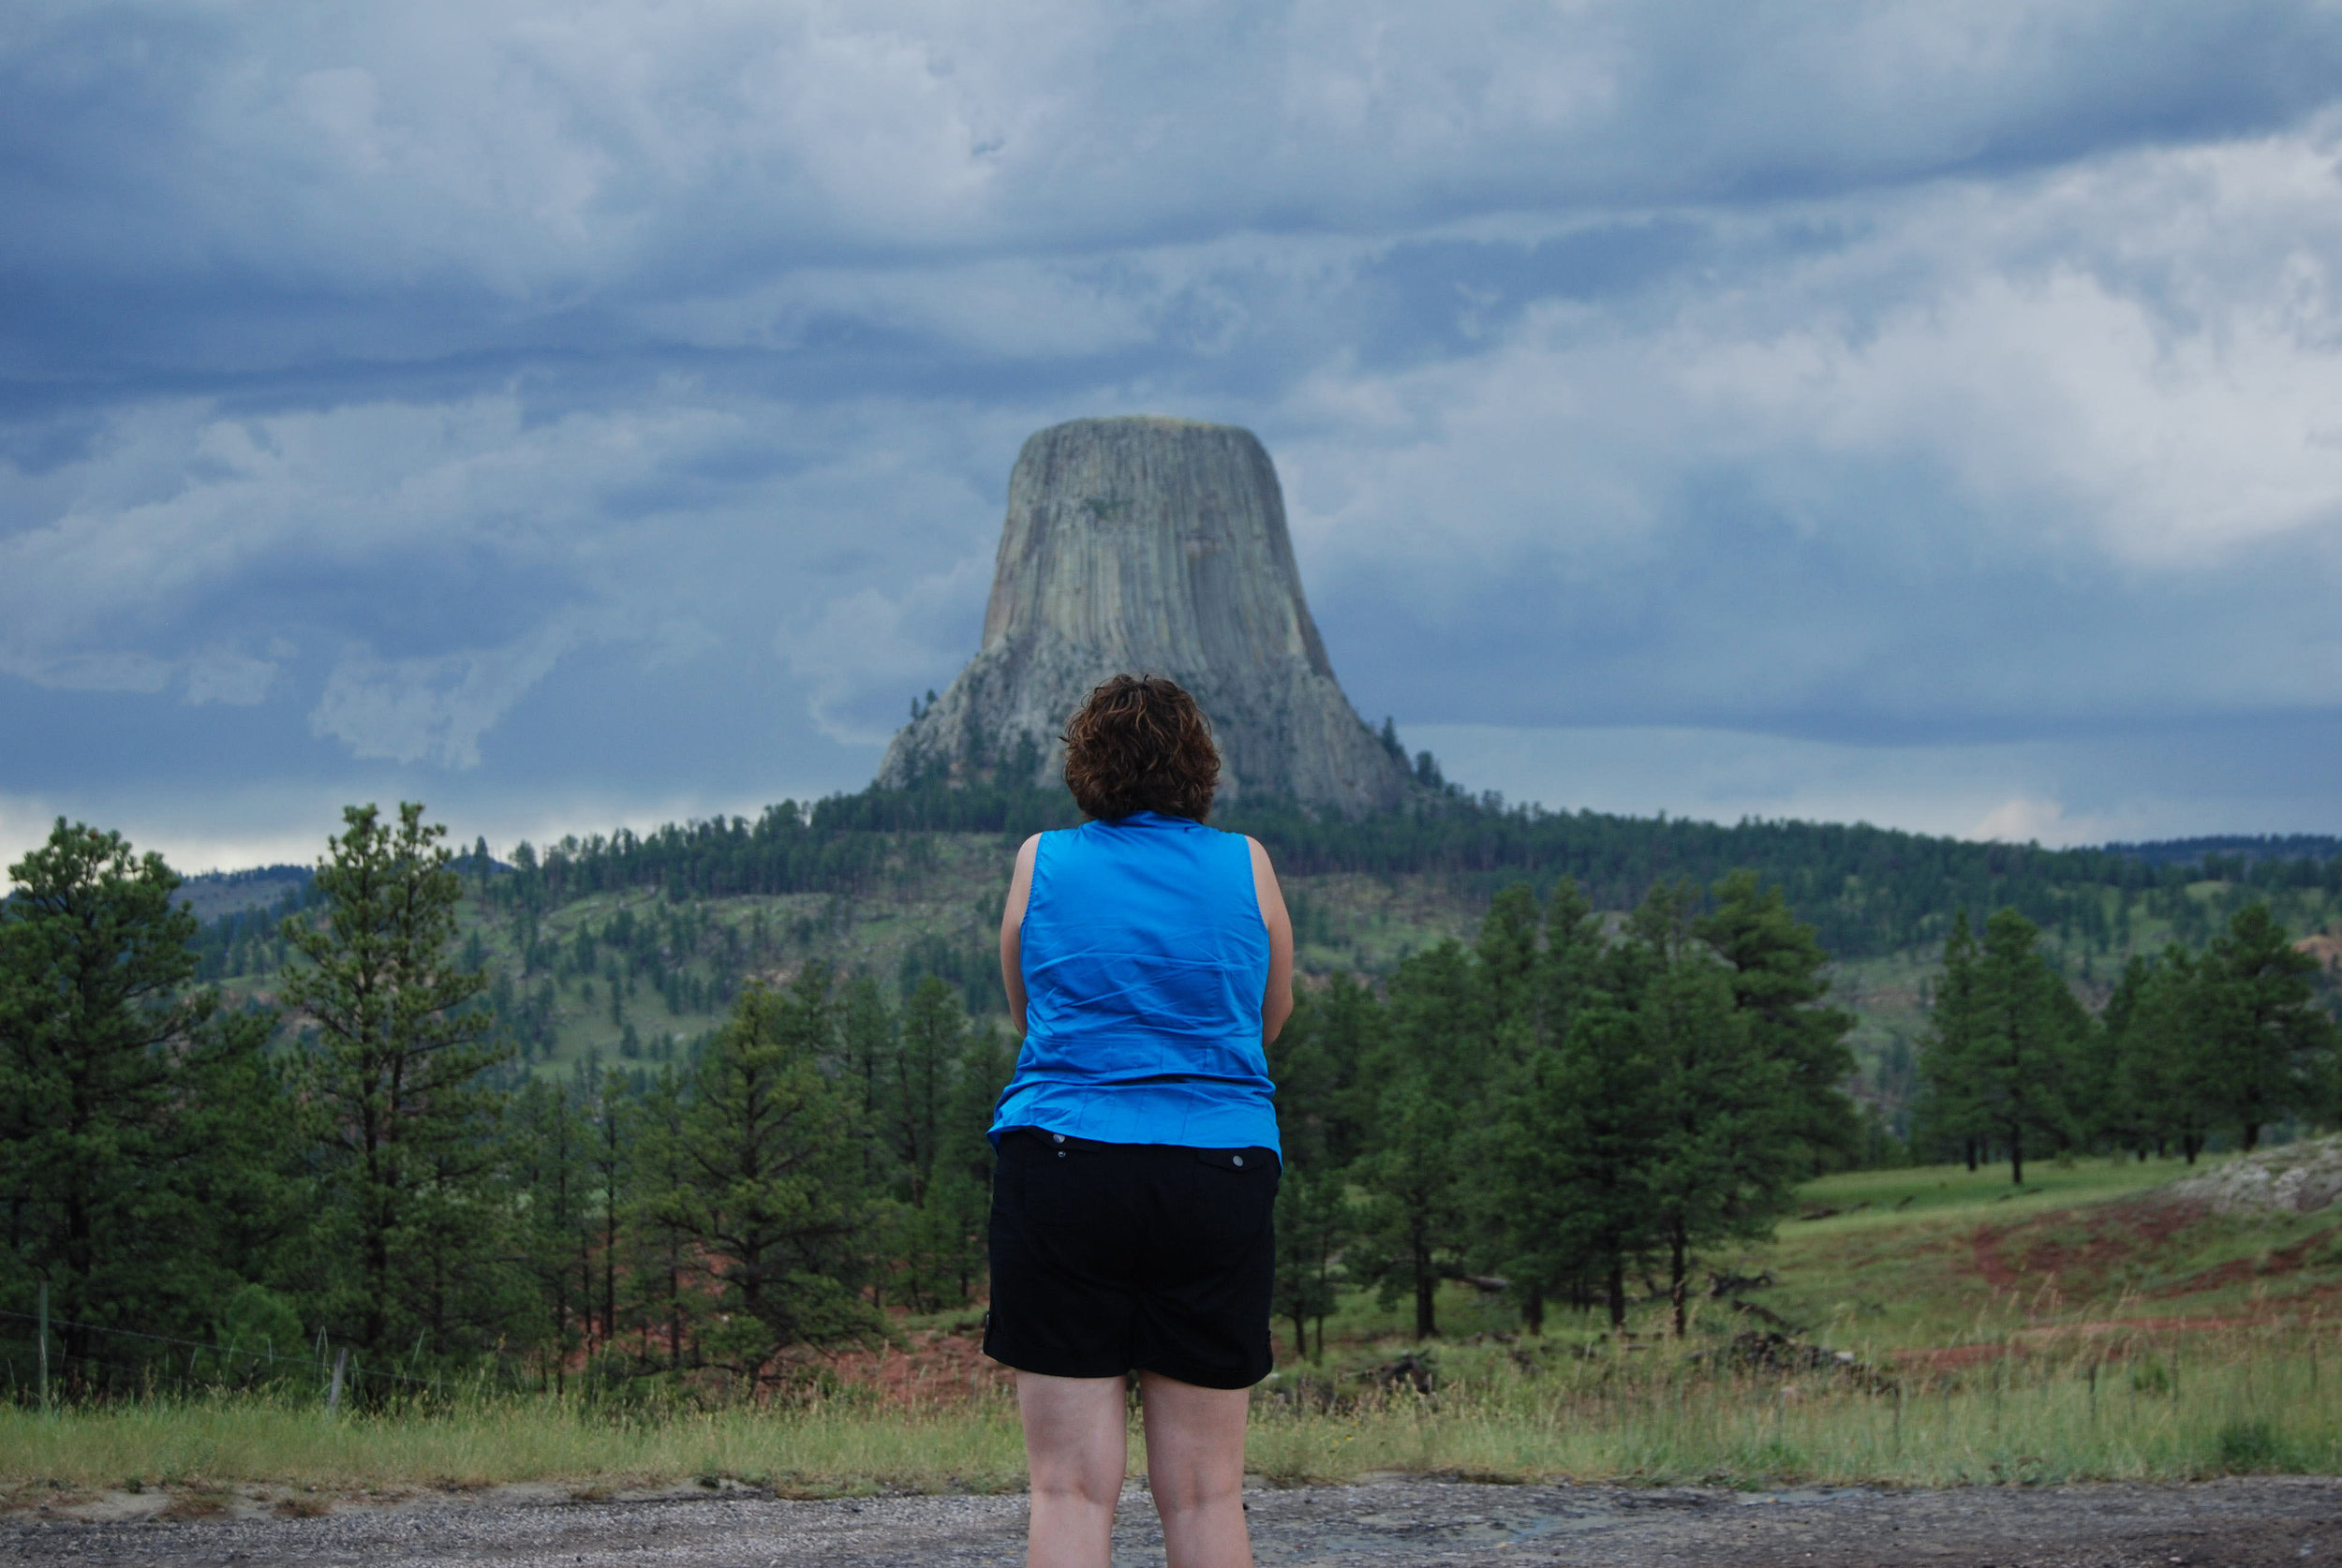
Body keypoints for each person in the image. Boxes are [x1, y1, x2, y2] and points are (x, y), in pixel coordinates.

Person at [986, 673, 1296, 1568]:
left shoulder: (1041, 860)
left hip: (1064, 1162)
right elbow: (1268, 1019)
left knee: (1069, 1490)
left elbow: (1026, 1012)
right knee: (1205, 1496)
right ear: (1199, 768)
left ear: (1087, 767)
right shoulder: (1248, 863)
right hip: (1217, 1170)